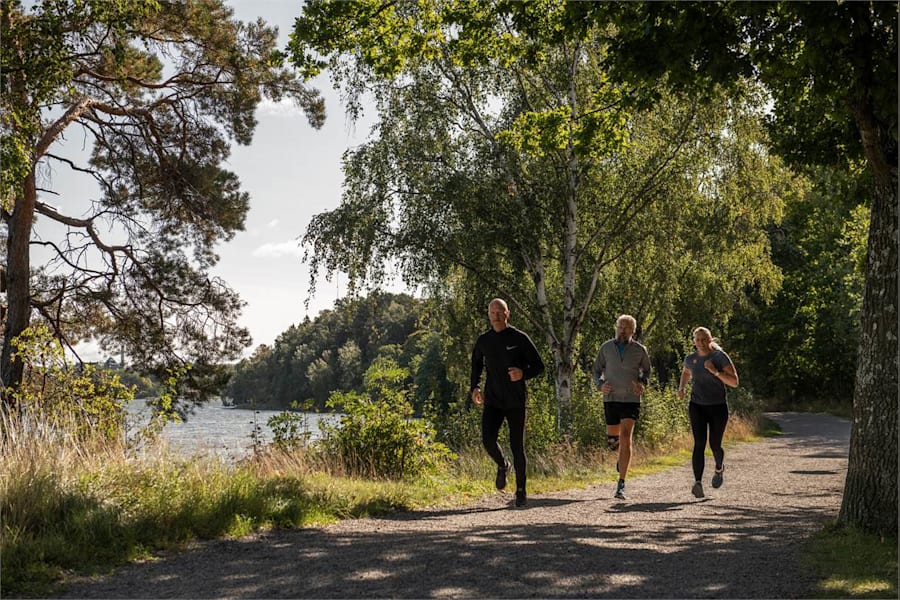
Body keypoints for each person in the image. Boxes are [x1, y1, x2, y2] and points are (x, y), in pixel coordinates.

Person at [470, 298, 545, 508]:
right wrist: (474, 387)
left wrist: (523, 373)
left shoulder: (519, 338)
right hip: (493, 399)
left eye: (499, 311)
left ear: (507, 314)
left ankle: (521, 491)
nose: (496, 315)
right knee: (487, 439)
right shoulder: (484, 340)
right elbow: (476, 364)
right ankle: (503, 465)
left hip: (515, 400)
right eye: (492, 312)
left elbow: (539, 366)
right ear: (488, 315)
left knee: (517, 446)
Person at [592, 314, 651, 500]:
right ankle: (620, 457)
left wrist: (642, 382)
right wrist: (600, 385)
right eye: (620, 327)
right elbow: (596, 370)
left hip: (631, 398)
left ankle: (621, 483)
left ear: (633, 331)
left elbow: (647, 371)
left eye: (626, 328)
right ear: (616, 328)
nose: (622, 330)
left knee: (626, 437)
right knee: (613, 442)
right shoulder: (606, 348)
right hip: (611, 398)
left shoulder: (639, 350)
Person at [677, 326, 739, 499]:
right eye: (698, 340)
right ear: (694, 341)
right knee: (699, 443)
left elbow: (734, 382)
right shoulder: (691, 358)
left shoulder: (719, 357)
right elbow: (686, 372)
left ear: (710, 340)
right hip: (697, 405)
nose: (701, 343)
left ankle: (719, 468)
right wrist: (682, 387)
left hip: (718, 406)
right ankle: (697, 483)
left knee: (715, 445)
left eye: (704, 339)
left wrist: (715, 372)